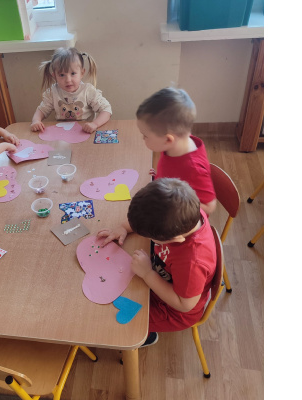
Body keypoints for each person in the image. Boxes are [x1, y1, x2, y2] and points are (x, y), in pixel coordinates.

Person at [97, 178, 216, 347]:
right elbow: (150, 215)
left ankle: (147, 336)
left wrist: (148, 274)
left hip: (173, 311)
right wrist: (123, 227)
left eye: (150, 237)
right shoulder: (185, 210)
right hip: (160, 276)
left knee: (109, 319)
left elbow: (184, 305)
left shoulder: (193, 263)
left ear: (176, 239)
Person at [136, 87, 217, 215]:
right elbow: (176, 171)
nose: (143, 138)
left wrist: (173, 199)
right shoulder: (174, 145)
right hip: (165, 195)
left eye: (145, 135)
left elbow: (209, 207)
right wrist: (161, 177)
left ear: (168, 140)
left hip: (178, 220)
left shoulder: (193, 168)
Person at [30, 47, 112, 134]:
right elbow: (42, 110)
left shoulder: (88, 91)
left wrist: (95, 124)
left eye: (73, 73)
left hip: (85, 132)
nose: (68, 80)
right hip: (62, 134)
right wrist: (36, 121)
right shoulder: (52, 92)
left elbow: (106, 109)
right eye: (62, 75)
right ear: (55, 76)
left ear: (82, 73)